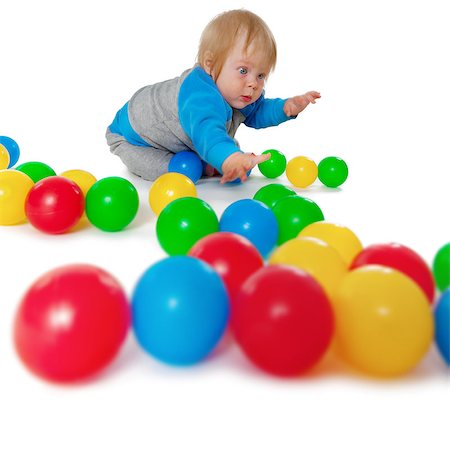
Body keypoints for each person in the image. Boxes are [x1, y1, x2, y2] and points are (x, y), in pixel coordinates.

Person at [106, 9, 320, 184]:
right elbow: (207, 130)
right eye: (243, 71)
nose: (253, 83)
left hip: (180, 136)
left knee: (221, 149)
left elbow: (259, 111)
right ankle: (207, 160)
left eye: (261, 75)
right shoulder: (200, 96)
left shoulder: (239, 91)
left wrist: (286, 107)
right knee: (183, 171)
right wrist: (230, 159)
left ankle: (211, 158)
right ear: (210, 65)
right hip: (132, 138)